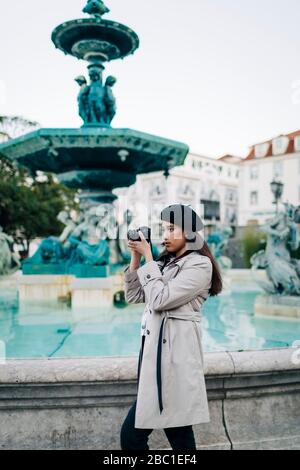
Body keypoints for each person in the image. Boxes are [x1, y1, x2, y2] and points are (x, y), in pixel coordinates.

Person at [120, 203, 223, 450]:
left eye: (170, 229)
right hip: (157, 361)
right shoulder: (166, 264)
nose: (164, 235)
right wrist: (136, 258)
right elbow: (134, 296)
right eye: (162, 229)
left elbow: (159, 300)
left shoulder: (200, 265)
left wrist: (148, 257)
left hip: (175, 362)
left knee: (133, 438)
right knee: (179, 437)